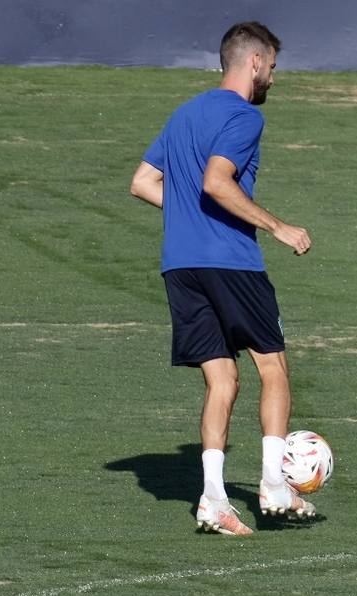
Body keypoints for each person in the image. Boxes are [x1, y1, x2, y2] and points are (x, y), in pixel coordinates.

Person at [129, 21, 316, 536]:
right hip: (231, 262)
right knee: (272, 368)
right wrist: (278, 226)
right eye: (273, 68)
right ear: (255, 63)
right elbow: (217, 181)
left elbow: (143, 183)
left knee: (221, 379)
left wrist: (187, 216)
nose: (273, 79)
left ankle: (213, 500)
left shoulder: (185, 112)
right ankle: (275, 487)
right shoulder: (242, 117)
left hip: (180, 266)